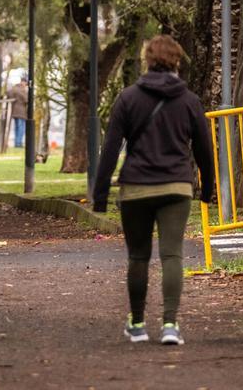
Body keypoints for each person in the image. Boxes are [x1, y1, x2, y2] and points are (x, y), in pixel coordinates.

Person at [92, 35, 214, 345]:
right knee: (172, 255)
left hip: (136, 188)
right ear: (176, 60)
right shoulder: (190, 101)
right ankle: (171, 325)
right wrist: (208, 189)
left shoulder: (128, 98)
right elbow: (204, 149)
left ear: (148, 59)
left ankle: (137, 324)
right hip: (176, 186)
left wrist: (101, 195)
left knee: (138, 257)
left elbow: (110, 149)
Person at [7, 74, 29, 148]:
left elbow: (9, 93)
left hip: (15, 111)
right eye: (25, 83)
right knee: (21, 128)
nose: (26, 85)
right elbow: (26, 99)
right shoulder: (22, 90)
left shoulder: (14, 88)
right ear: (23, 82)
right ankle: (18, 143)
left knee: (17, 127)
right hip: (21, 112)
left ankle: (17, 142)